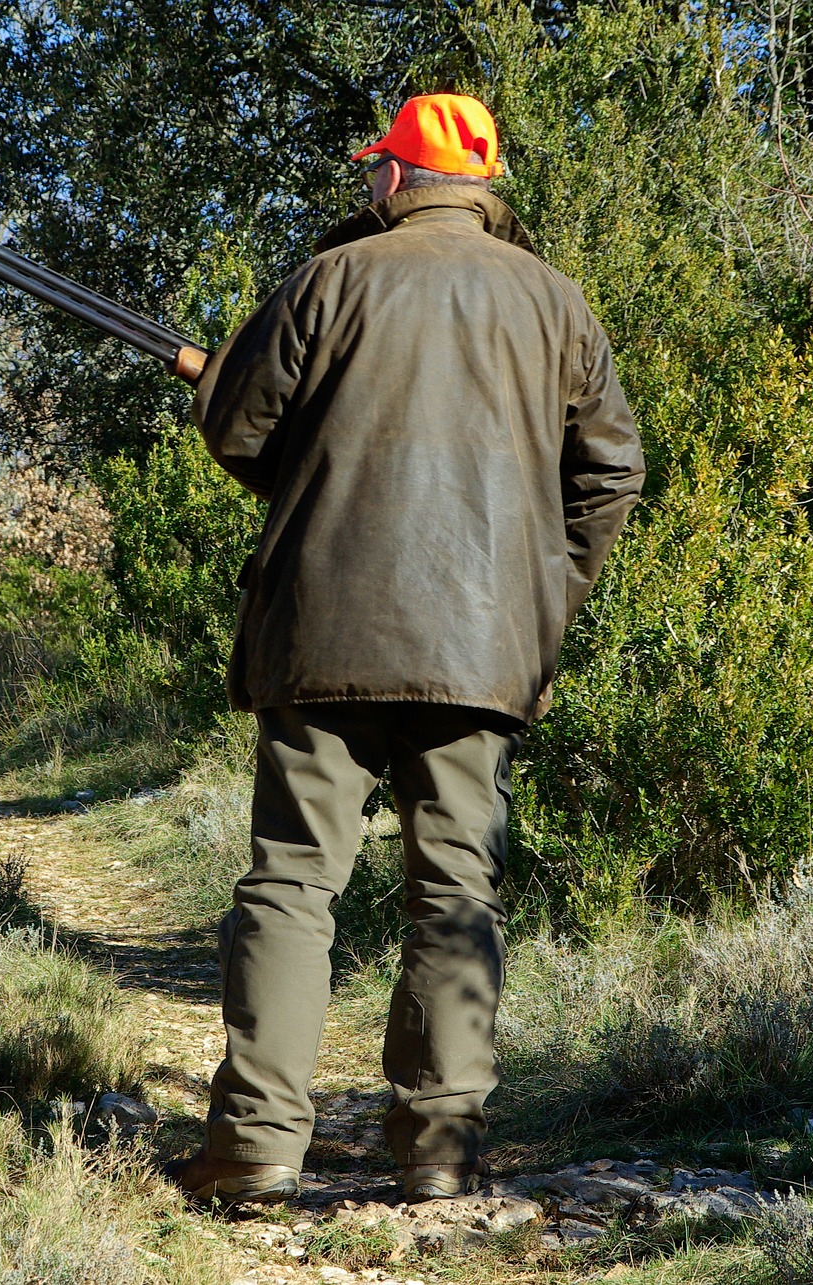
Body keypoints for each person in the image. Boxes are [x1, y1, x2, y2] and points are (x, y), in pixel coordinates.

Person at [164, 93, 644, 1206]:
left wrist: (314, 485)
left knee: (291, 885)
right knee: (455, 892)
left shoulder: (330, 281)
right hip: (486, 651)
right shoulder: (558, 303)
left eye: (373, 169)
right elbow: (611, 474)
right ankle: (438, 1149)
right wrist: (542, 598)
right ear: (485, 185)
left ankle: (255, 1151)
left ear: (393, 178)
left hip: (320, 635)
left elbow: (239, 429)